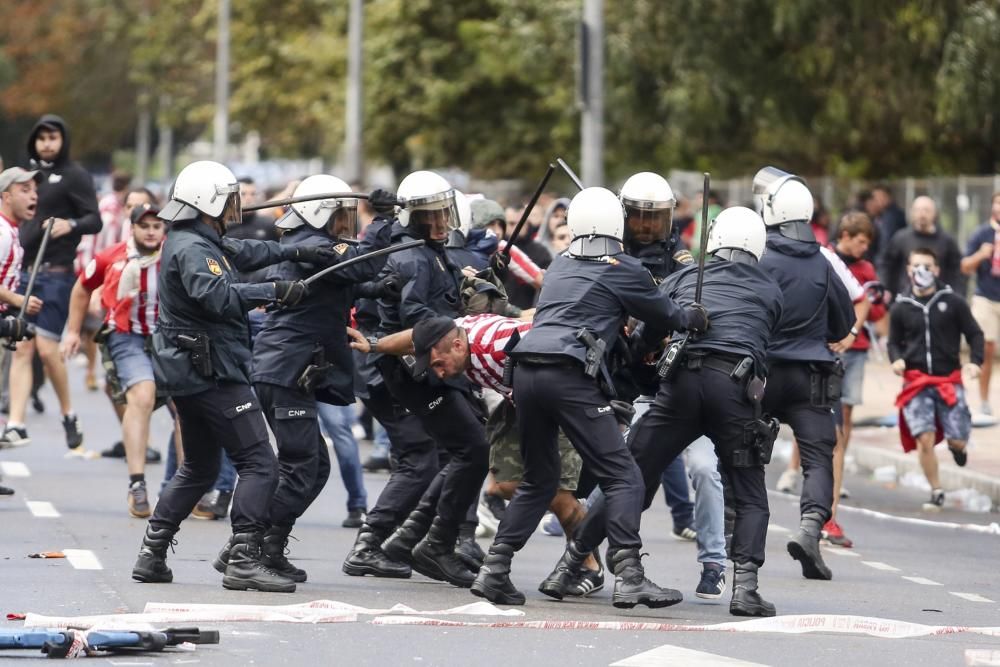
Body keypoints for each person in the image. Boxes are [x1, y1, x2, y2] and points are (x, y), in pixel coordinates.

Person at [470, 186, 706, 609]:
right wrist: (694, 316)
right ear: (618, 223)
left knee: (540, 479)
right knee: (624, 476)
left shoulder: (560, 265)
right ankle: (631, 576)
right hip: (569, 375)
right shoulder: (625, 267)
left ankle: (495, 570)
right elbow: (667, 316)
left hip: (524, 372)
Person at [542, 206, 784, 617]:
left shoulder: (685, 276)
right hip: (736, 391)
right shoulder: (771, 290)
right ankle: (746, 588)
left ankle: (568, 567)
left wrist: (638, 366)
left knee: (627, 475)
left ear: (715, 241)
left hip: (681, 388)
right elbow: (764, 342)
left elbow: (646, 333)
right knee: (749, 490)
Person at [129, 160, 336, 593]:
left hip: (191, 373)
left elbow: (245, 252)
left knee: (200, 468)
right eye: (227, 201)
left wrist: (297, 251)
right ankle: (243, 558)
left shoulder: (195, 241)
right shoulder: (192, 249)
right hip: (213, 372)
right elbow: (218, 296)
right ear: (208, 202)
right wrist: (275, 290)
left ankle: (151, 554)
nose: (234, 209)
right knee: (260, 462)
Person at [207, 175, 393, 584]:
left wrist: (383, 287)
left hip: (290, 368)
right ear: (320, 213)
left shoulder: (315, 248)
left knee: (314, 466)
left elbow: (348, 280)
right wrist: (383, 221)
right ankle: (244, 550)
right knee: (300, 466)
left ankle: (268, 546)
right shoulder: (316, 245)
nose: (347, 223)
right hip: (286, 368)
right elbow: (361, 261)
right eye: (341, 216)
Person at [348, 312, 606, 594]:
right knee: (506, 485)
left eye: (438, 364)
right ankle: (442, 544)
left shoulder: (500, 347)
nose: (439, 373)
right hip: (520, 401)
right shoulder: (453, 333)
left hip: (559, 396)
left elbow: (556, 340)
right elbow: (414, 337)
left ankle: (587, 566)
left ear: (458, 347)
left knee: (556, 492)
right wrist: (374, 345)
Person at [343, 171, 488, 589]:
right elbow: (419, 320)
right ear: (412, 218)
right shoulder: (411, 256)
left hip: (419, 370)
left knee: (459, 449)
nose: (440, 223)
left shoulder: (432, 251)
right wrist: (465, 323)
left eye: (444, 214)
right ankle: (376, 545)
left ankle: (416, 538)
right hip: (407, 373)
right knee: (436, 455)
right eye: (429, 217)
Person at [611, 171, 726, 597]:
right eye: (637, 216)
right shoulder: (610, 260)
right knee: (623, 474)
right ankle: (588, 555)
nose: (644, 225)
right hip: (632, 385)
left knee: (704, 469)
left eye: (652, 217)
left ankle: (714, 562)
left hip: (680, 385)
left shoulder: (685, 268)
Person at [753, 167, 854, 582]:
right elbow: (843, 321)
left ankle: (740, 539)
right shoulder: (823, 261)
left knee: (746, 454)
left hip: (763, 375)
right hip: (811, 374)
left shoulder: (758, 255)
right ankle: (811, 528)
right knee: (818, 458)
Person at [1, 115, 101, 449]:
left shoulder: (75, 176)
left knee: (46, 350)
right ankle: (16, 423)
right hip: (24, 270)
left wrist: (70, 225)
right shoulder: (26, 176)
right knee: (21, 348)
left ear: (63, 140)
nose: (46, 143)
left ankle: (68, 413)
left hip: (57, 273)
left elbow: (95, 220)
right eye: (41, 137)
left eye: (53, 137)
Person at [61, 203, 166, 518]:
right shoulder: (111, 256)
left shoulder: (175, 256)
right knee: (142, 396)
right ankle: (137, 483)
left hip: (168, 339)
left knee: (188, 408)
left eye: (156, 226)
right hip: (126, 336)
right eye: (144, 225)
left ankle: (183, 485)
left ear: (164, 230)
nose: (150, 231)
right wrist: (73, 332)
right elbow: (82, 288)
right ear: (132, 228)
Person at [890, 248, 983, 509]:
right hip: (916, 382)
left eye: (928, 266)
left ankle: (958, 447)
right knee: (925, 437)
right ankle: (936, 489)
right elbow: (893, 342)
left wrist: (975, 362)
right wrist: (896, 359)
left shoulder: (953, 302)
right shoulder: (901, 306)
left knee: (957, 438)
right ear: (908, 270)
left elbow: (975, 333)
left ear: (937, 270)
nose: (922, 271)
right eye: (917, 266)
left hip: (948, 381)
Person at [823, 212, 886, 548]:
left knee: (837, 431)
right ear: (845, 234)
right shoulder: (822, 257)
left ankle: (827, 515)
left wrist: (851, 333)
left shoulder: (862, 271)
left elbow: (869, 306)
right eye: (861, 241)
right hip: (810, 354)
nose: (864, 249)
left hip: (847, 353)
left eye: (867, 244)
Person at [0, 167, 45, 495]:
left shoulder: (11, 231)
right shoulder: (2, 233)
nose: (33, 196)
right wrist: (16, 300)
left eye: (35, 190)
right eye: (24, 189)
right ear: (5, 196)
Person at [959, 192, 1000, 424]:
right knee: (986, 348)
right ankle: (983, 400)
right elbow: (965, 266)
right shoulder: (982, 234)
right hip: (986, 296)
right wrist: (981, 255)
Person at [880, 196, 964, 300]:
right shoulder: (901, 238)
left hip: (938, 299)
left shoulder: (947, 241)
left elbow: (956, 271)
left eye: (926, 210)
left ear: (935, 213)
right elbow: (886, 265)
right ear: (912, 213)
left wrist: (956, 295)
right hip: (906, 299)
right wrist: (885, 288)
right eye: (918, 210)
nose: (922, 214)